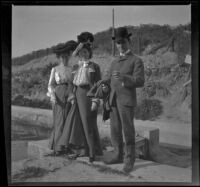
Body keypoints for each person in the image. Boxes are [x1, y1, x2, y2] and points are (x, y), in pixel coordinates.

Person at [102, 27, 145, 173]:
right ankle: (118, 155)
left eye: (123, 42)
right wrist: (104, 86)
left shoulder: (136, 60)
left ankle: (129, 160)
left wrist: (124, 78)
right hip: (113, 101)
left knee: (128, 132)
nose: (120, 45)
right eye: (118, 43)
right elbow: (108, 79)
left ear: (129, 41)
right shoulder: (114, 61)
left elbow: (140, 81)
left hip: (126, 102)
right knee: (115, 131)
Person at [57, 32, 103, 163]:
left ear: (90, 53)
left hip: (88, 96)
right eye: (82, 52)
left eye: (86, 52)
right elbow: (71, 83)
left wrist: (95, 100)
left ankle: (92, 152)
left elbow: (98, 84)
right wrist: (71, 96)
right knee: (76, 123)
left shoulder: (95, 66)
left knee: (88, 123)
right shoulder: (75, 66)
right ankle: (80, 150)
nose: (84, 54)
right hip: (77, 95)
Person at [47, 40, 78, 155]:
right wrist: (53, 96)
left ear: (69, 57)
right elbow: (50, 85)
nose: (64, 59)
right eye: (62, 57)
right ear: (59, 58)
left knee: (68, 120)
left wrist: (73, 95)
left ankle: (66, 145)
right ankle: (58, 147)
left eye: (66, 57)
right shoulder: (54, 69)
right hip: (58, 95)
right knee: (59, 120)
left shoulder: (72, 69)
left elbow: (74, 83)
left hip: (69, 94)